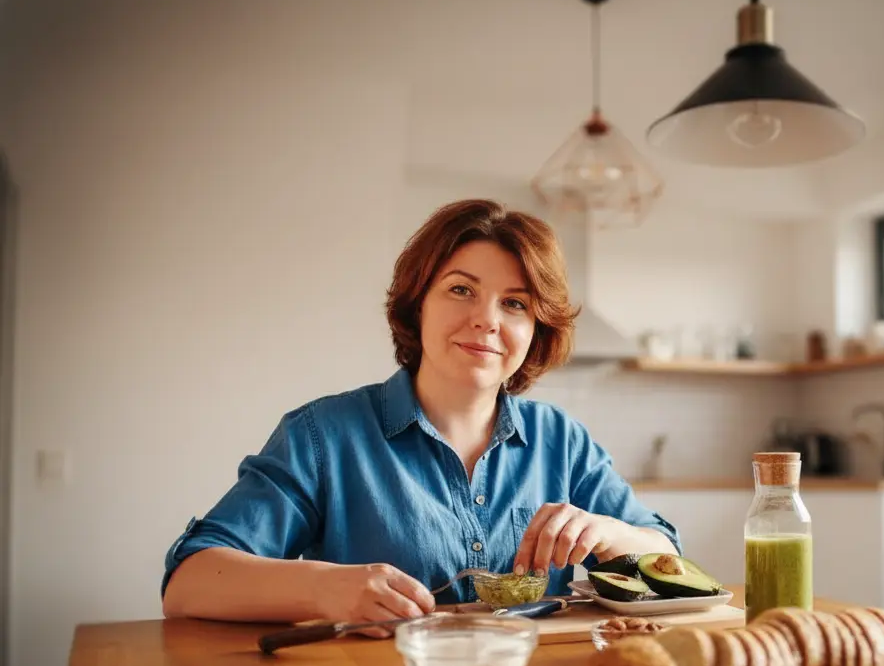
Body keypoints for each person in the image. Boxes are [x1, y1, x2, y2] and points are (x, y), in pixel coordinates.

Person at [161, 198, 681, 633]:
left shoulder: (561, 441)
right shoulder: (323, 436)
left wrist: (610, 534)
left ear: (536, 330)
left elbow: (669, 563)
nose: (486, 319)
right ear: (417, 305)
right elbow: (190, 580)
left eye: (516, 304)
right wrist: (324, 589)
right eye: (461, 290)